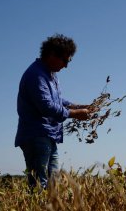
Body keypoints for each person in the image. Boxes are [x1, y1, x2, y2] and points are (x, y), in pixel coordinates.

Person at [15, 34, 89, 190]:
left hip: (48, 135)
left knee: (52, 184)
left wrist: (78, 106)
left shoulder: (50, 75)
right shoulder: (36, 75)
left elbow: (57, 101)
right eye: (65, 61)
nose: (66, 66)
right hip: (36, 135)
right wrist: (76, 114)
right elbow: (46, 106)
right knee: (39, 185)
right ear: (52, 55)